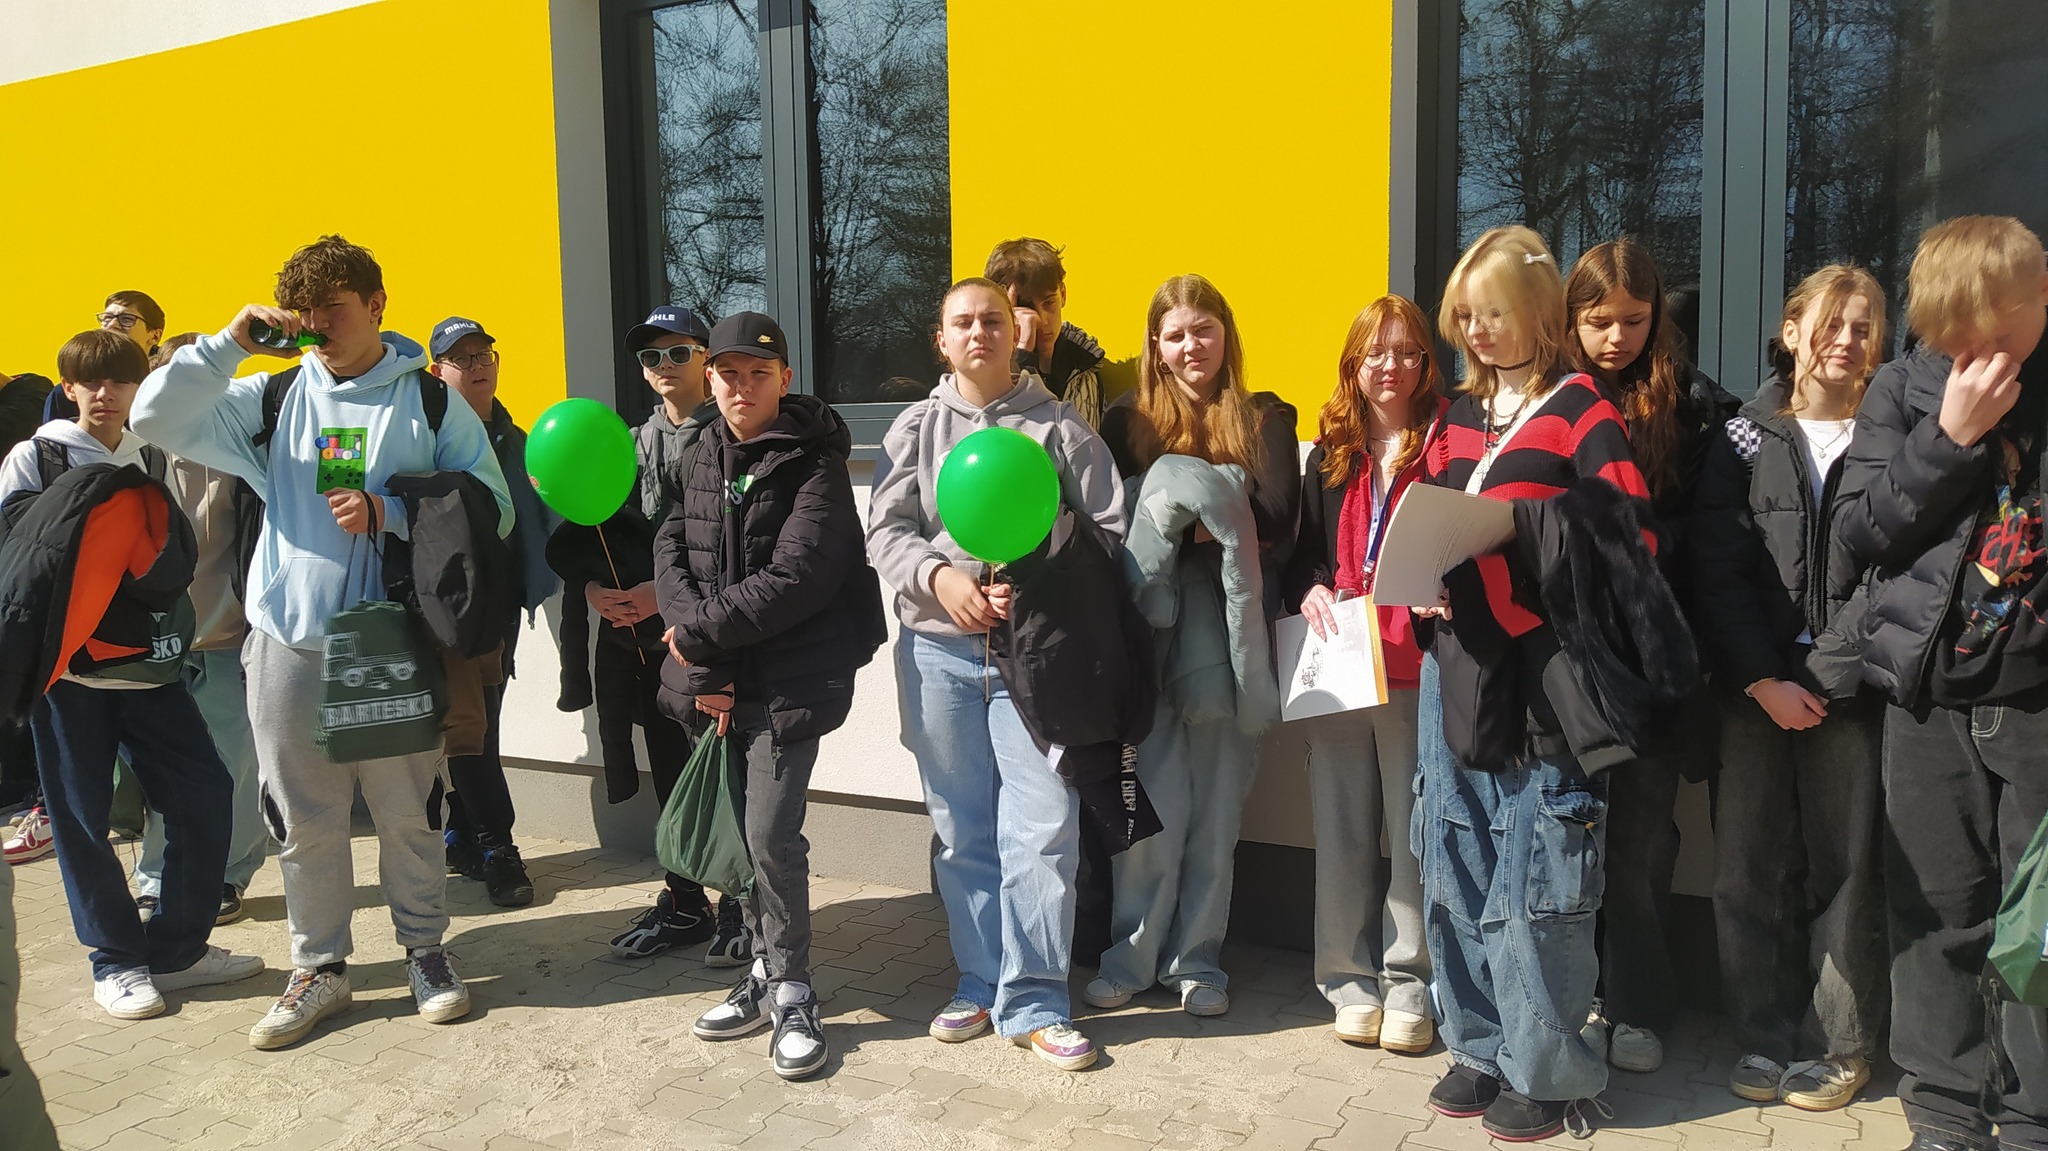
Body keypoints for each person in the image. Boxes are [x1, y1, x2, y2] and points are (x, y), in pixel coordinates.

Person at [132, 235, 514, 1049]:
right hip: (288, 642)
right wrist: (228, 344)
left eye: (331, 312)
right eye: (302, 316)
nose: (315, 329)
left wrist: (394, 513)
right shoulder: (271, 398)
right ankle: (320, 966)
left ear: (376, 304)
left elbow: (494, 506)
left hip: (390, 638)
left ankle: (425, 950)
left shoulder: (430, 401)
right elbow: (153, 416)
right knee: (301, 817)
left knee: (406, 810)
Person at [1414, 226, 1673, 1141]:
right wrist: (1424, 583)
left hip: (1547, 673)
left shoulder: (1581, 410)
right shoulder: (1455, 415)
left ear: (1535, 311)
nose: (1476, 332)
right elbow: (1425, 518)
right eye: (1465, 316)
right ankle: (1480, 1044)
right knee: (1455, 855)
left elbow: (1633, 537)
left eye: (1493, 313)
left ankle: (1549, 1068)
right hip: (1457, 667)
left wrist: (1529, 538)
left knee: (1541, 871)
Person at [868, 277, 1126, 1070]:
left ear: (1017, 334)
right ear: (941, 340)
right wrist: (940, 578)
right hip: (938, 655)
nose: (978, 331)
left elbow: (1108, 530)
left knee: (1044, 827)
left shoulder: (1060, 426)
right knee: (963, 830)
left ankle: (1038, 997)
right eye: (963, 322)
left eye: (991, 320)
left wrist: (1038, 567)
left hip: (1034, 659)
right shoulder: (915, 428)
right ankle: (980, 980)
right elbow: (886, 530)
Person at [1835, 215, 2048, 1151]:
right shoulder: (1905, 385)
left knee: (2039, 924)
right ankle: (1946, 1114)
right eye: (1960, 340)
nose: (1983, 356)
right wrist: (1951, 434)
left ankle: (2035, 1117)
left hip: (2036, 702)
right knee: (1936, 916)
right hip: (1930, 698)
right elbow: (1863, 531)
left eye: (2003, 333)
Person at [0, 329, 263, 1021]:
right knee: (82, 821)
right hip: (71, 679)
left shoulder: (149, 453)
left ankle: (177, 950)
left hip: (150, 669)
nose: (105, 393)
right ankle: (114, 961)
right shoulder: (38, 455)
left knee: (205, 794)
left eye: (119, 380)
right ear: (68, 387)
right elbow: (18, 562)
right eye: (90, 380)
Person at [656, 311, 885, 1081]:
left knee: (769, 838)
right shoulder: (700, 450)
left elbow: (800, 576)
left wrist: (698, 637)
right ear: (709, 377)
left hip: (788, 685)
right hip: (718, 683)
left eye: (758, 373)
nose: (741, 387)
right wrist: (701, 658)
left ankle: (793, 990)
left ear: (784, 379)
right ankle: (760, 972)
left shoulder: (815, 462)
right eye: (727, 373)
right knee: (741, 839)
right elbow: (670, 545)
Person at [1692, 264, 1889, 1112]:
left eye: (1864, 326)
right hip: (1754, 695)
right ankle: (1762, 1034)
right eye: (1831, 323)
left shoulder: (1891, 435)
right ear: (1792, 330)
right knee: (1746, 869)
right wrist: (1762, 677)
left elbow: (1895, 571)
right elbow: (1717, 565)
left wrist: (1823, 673)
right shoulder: (1742, 434)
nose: (1846, 340)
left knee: (1846, 874)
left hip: (1850, 694)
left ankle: (1838, 1045)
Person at [1088, 273, 1299, 1018]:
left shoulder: (1267, 415)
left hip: (1234, 654)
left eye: (1203, 329)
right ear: (1156, 344)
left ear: (1226, 333)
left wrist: (1174, 506)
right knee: (1148, 817)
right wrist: (1215, 503)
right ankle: (1130, 957)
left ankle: (1198, 962)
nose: (1190, 346)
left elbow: (1278, 516)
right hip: (1148, 648)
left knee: (1215, 821)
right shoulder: (1125, 419)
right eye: (1175, 334)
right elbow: (1111, 522)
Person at [1563, 238, 1736, 1072]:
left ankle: (1636, 1005)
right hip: (1564, 655)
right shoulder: (1548, 395)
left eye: (1634, 321)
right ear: (1570, 319)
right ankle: (1568, 997)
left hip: (1653, 655)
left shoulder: (1694, 406)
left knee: (1638, 839)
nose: (1616, 338)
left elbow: (1709, 541)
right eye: (1599, 321)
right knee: (1562, 835)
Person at [1282, 295, 1445, 1054]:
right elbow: (1303, 557)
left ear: (1425, 363)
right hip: (1343, 657)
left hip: (1416, 657)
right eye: (1376, 352)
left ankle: (1410, 979)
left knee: (1413, 831)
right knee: (1342, 824)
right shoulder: (1330, 453)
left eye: (1407, 351)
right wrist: (1310, 588)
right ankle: (1347, 979)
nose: (1391, 366)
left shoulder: (1444, 443)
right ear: (1354, 362)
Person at [564, 307, 730, 963]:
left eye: (679, 352)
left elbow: (734, 546)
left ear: (707, 359)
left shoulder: (732, 435)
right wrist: (594, 591)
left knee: (722, 774)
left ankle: (740, 905)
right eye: (650, 357)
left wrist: (660, 594)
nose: (664, 366)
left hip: (713, 639)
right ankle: (686, 903)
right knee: (669, 772)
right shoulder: (625, 444)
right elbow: (586, 531)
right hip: (643, 648)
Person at [130, 332, 268, 928]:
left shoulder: (239, 449)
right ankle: (157, 876)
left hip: (232, 633)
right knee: (163, 765)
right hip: (160, 640)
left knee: (236, 764)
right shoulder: (141, 457)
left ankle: (227, 873)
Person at [426, 317, 557, 909]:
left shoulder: (517, 440)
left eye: (485, 355)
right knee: (461, 730)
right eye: (463, 358)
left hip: (497, 609)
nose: (478, 366)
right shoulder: (423, 435)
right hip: (440, 607)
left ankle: (474, 840)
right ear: (438, 372)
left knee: (479, 728)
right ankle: (491, 845)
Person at [984, 238, 1109, 429]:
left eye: (1049, 303)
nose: (1041, 319)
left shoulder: (1085, 364)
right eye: (1026, 307)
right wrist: (1021, 355)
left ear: (1063, 294)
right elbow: (1007, 436)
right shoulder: (984, 368)